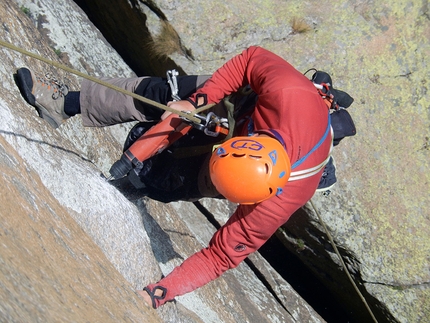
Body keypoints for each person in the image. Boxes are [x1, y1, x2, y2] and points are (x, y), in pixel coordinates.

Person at [15, 46, 353, 308]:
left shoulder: (278, 203)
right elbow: (250, 59)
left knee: (170, 182)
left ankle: (136, 186)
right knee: (167, 96)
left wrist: (160, 293)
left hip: (263, 147)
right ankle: (63, 102)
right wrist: (196, 103)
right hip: (250, 104)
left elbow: (221, 255)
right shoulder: (288, 91)